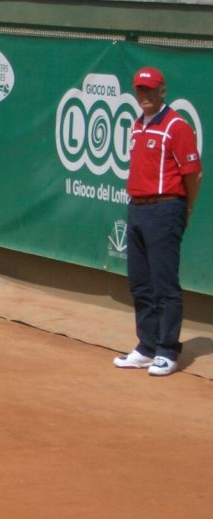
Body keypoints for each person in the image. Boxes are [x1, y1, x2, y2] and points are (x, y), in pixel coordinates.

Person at [114, 66, 202, 377]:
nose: (144, 95)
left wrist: (185, 210)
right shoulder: (138, 125)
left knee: (164, 284)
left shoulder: (176, 126)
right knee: (140, 282)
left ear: (162, 92)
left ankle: (167, 350)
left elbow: (193, 175)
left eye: (150, 90)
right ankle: (147, 347)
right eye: (140, 89)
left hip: (166, 209)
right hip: (137, 208)